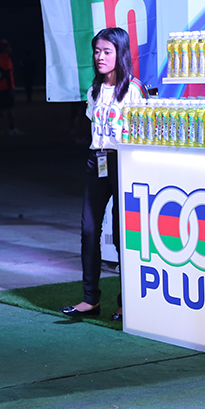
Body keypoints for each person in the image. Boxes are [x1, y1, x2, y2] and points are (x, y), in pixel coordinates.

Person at [60, 27, 147, 322]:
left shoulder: (133, 89)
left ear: (120, 54)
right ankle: (90, 299)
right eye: (97, 51)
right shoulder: (94, 90)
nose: (100, 57)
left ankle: (127, 301)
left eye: (107, 51)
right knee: (88, 231)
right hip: (96, 161)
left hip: (124, 163)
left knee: (124, 235)